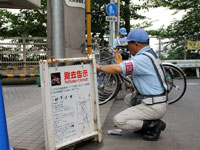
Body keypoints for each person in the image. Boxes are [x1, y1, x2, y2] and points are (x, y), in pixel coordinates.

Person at [96, 28, 168, 141]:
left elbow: (118, 68)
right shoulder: (150, 54)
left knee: (119, 120)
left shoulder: (142, 59)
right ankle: (145, 122)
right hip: (157, 100)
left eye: (128, 44)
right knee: (129, 98)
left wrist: (99, 68)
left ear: (136, 44)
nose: (128, 47)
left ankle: (154, 125)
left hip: (154, 105)